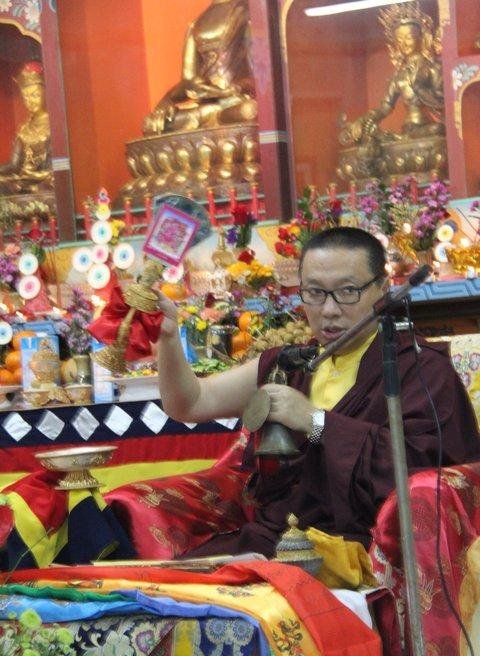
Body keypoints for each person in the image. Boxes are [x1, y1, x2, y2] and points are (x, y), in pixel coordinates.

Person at [154, 226, 480, 557]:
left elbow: (425, 473)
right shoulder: (288, 365)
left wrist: (316, 422)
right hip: (273, 543)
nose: (329, 310)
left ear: (383, 290)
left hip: (360, 551)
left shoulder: (420, 369)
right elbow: (191, 403)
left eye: (348, 291)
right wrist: (167, 338)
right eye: (314, 292)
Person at [143, 0, 257, 136]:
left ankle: (210, 119)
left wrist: (236, 88)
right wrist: (166, 100)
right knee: (150, 124)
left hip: (234, 102)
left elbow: (261, 76)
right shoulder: (196, 24)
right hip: (205, 105)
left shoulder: (246, 11)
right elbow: (187, 82)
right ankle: (210, 119)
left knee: (248, 111)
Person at [340, 4, 444, 152]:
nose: (403, 44)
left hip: (430, 126)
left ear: (421, 38)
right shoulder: (398, 75)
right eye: (399, 40)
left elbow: (442, 101)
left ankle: (404, 140)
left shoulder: (432, 68)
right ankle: (402, 139)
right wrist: (363, 120)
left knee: (438, 129)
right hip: (410, 128)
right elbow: (385, 107)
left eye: (409, 37)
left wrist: (419, 88)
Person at [0, 61, 53, 195]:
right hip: (24, 179)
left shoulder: (54, 125)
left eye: (35, 95)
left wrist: (37, 175)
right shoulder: (24, 128)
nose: (30, 101)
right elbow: (14, 165)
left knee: (45, 186)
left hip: (45, 180)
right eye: (26, 97)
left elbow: (57, 167)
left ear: (46, 93)